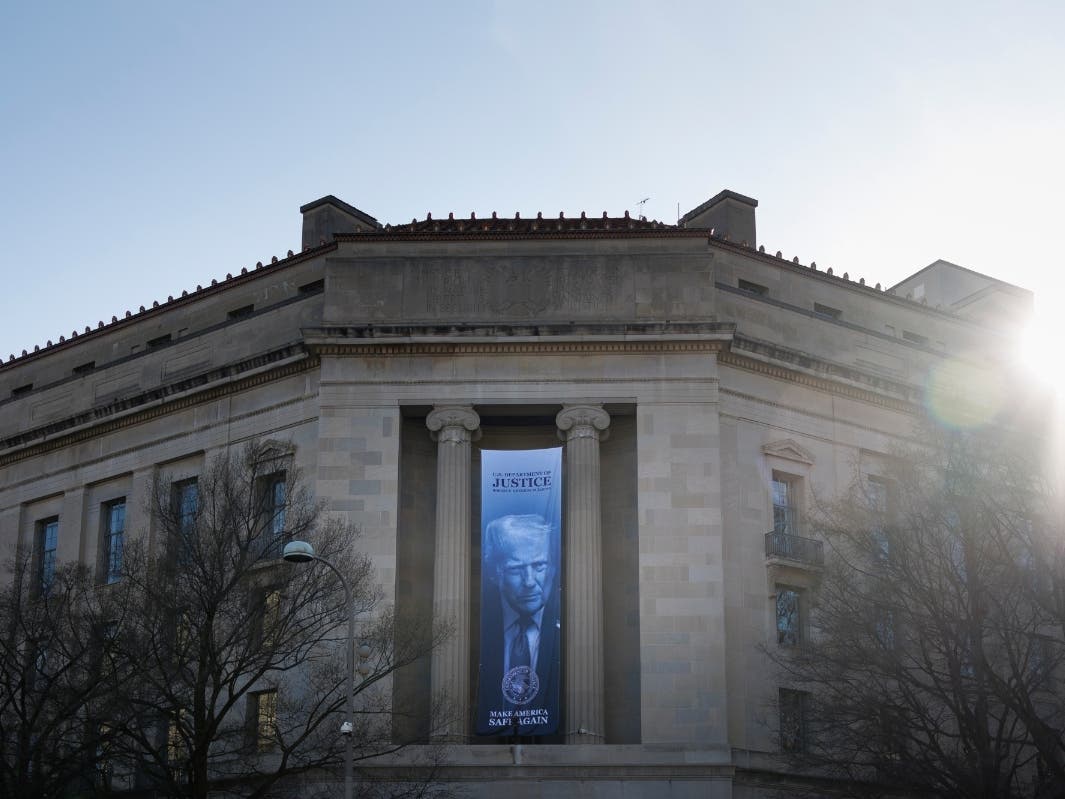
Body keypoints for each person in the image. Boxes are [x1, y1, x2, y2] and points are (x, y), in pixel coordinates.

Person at [477, 513, 560, 735]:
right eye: (516, 569)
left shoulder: (567, 633)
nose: (530, 582)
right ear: (495, 573)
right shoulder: (477, 633)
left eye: (540, 566)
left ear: (553, 568)